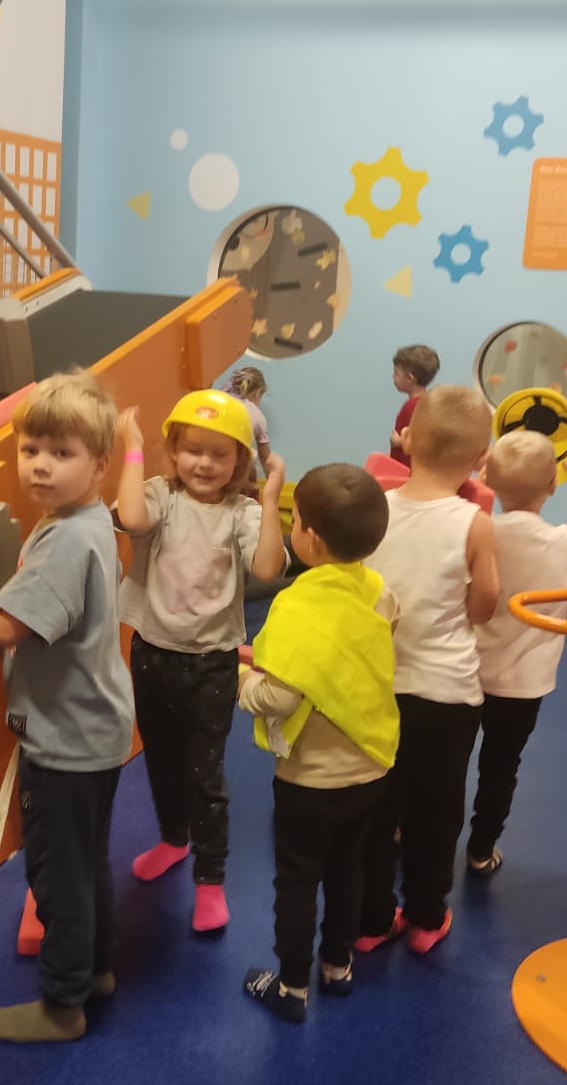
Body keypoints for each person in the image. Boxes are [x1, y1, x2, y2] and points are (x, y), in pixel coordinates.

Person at [0, 370, 134, 1044]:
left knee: (57, 874)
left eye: (61, 453)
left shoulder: (66, 540)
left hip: (66, 740)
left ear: (99, 464)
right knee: (86, 862)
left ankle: (62, 1006)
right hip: (94, 729)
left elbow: (6, 626)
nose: (40, 465)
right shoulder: (83, 521)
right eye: (30, 449)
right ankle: (95, 970)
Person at [115, 389, 286, 933]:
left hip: (211, 663)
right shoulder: (160, 496)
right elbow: (130, 518)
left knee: (204, 775)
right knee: (161, 761)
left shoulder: (240, 512)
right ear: (173, 450)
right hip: (151, 653)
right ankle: (173, 839)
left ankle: (210, 879)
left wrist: (271, 496)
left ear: (239, 461)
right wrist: (132, 447)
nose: (205, 463)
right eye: (193, 450)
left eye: (219, 453)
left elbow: (267, 569)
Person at [238, 464, 400, 1024]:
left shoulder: (296, 606)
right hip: (370, 766)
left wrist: (243, 679)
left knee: (298, 879)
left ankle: (289, 987)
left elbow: (278, 699)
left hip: (311, 779)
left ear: (308, 537)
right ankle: (337, 966)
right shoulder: (379, 591)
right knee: (348, 868)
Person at [357, 385, 498, 955]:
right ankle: (424, 919)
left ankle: (370, 923)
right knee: (435, 813)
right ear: (481, 458)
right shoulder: (474, 523)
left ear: (407, 439)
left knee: (375, 809)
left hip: (375, 688)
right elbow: (484, 604)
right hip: (445, 695)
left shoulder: (374, 510)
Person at [467, 431, 567, 875]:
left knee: (441, 760)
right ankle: (481, 849)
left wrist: (478, 480)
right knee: (501, 767)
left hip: (465, 672)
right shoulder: (562, 542)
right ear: (553, 485)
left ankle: (404, 828)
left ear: (489, 480)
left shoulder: (478, 531)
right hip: (523, 685)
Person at [390, 343, 440, 465]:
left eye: (396, 373)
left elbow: (422, 440)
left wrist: (398, 441)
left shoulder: (412, 407)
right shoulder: (427, 402)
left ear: (410, 378)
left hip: (406, 468)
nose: (393, 376)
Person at [223, 366, 271, 479]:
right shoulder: (257, 415)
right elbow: (265, 456)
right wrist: (272, 479)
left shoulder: (220, 401)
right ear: (258, 393)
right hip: (238, 471)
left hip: (215, 462)